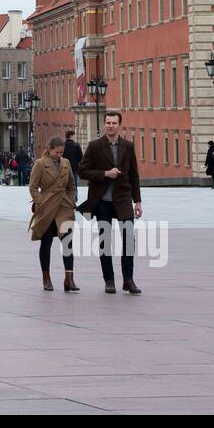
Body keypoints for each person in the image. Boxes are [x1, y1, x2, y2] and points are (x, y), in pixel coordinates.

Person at [75, 110, 142, 294]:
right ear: (104, 124)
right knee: (105, 241)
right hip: (102, 201)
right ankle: (109, 280)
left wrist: (138, 201)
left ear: (120, 125)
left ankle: (128, 280)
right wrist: (105, 174)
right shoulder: (95, 146)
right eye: (108, 123)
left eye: (114, 123)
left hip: (123, 200)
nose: (111, 126)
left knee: (129, 240)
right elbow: (83, 171)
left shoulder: (128, 146)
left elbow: (134, 175)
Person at [29, 137, 78, 293]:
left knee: (67, 242)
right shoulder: (40, 164)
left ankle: (69, 278)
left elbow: (72, 185)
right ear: (49, 149)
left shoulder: (66, 163)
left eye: (61, 152)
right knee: (46, 242)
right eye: (57, 152)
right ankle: (46, 277)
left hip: (64, 206)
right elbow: (33, 187)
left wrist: (71, 201)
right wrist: (40, 201)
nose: (59, 155)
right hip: (47, 206)